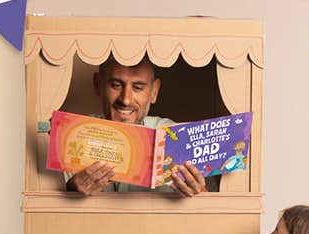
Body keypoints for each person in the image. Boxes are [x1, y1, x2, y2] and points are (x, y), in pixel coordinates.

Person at [65, 55, 210, 197]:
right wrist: (70, 191)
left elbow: (211, 211)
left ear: (154, 91)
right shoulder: (72, 135)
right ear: (98, 85)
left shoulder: (178, 137)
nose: (126, 100)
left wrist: (199, 192)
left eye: (138, 87)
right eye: (116, 85)